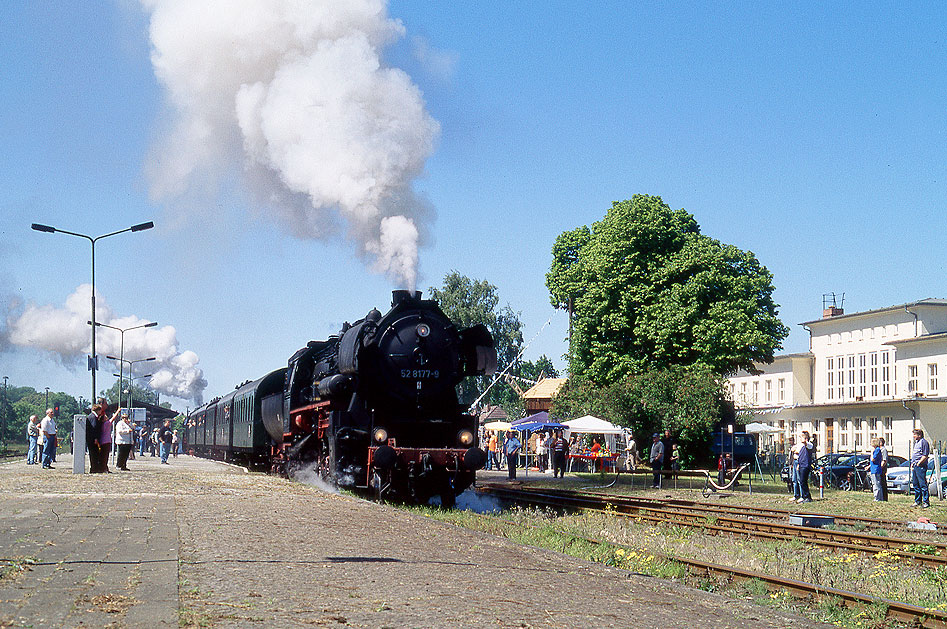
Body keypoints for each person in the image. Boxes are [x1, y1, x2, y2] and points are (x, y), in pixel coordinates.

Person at [910, 428, 931, 508]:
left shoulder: (924, 442)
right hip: (915, 466)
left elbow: (925, 455)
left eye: (915, 434)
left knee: (922, 484)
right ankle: (917, 501)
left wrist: (919, 463)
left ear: (919, 435)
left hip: (920, 466)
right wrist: (913, 463)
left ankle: (926, 502)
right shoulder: (916, 443)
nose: (913, 436)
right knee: (915, 484)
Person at [86, 400, 107, 473]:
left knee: (94, 454)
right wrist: (95, 438)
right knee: (94, 454)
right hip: (92, 439)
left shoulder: (91, 416)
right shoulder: (93, 417)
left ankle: (94, 468)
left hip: (91, 439)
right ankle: (94, 468)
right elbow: (93, 428)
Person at [793, 431, 813, 503]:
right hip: (801, 465)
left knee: (803, 481)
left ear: (806, 438)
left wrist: (804, 441)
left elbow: (807, 444)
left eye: (801, 437)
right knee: (802, 481)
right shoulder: (802, 446)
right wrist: (798, 464)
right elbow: (800, 457)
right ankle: (805, 497)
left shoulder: (809, 445)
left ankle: (807, 496)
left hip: (806, 465)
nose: (800, 439)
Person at [99, 409, 116, 473]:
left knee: (103, 456)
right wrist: (117, 411)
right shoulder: (107, 424)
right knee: (105, 456)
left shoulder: (101, 425)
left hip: (101, 441)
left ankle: (103, 467)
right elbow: (113, 418)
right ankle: (104, 468)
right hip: (107, 441)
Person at [869, 437, 884, 501]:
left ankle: (877, 497)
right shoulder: (877, 450)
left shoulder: (877, 450)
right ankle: (879, 498)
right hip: (873, 469)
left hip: (875, 469)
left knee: (876, 484)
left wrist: (872, 453)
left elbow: (873, 459)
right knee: (876, 483)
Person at [878, 436, 890, 501]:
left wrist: (881, 467)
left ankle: (885, 498)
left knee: (883, 483)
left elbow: (884, 460)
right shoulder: (878, 449)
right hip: (879, 467)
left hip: (882, 469)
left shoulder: (883, 450)